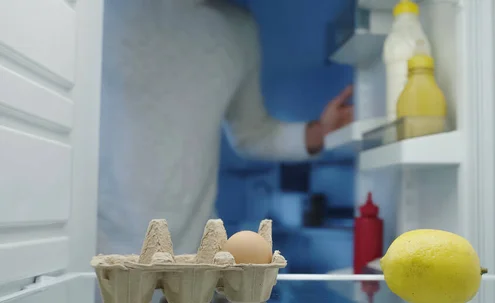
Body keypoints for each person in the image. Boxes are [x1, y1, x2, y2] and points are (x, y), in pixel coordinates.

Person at [97, 0, 354, 255]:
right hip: (101, 252)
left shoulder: (237, 29)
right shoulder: (102, 11)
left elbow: (253, 134)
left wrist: (321, 132)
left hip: (191, 257)